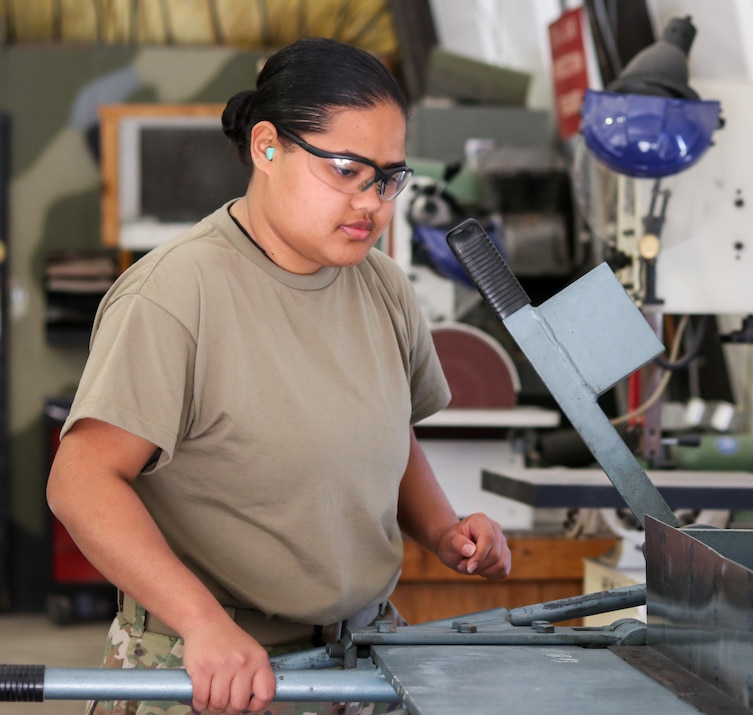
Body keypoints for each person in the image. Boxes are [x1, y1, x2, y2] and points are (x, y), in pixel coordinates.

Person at [46, 37, 511, 715]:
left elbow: (386, 431)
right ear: (268, 148)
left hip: (361, 657)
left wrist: (443, 529)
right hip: (216, 667)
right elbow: (81, 480)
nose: (372, 203)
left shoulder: (381, 284)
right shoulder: (176, 294)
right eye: (347, 169)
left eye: (388, 177)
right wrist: (204, 622)